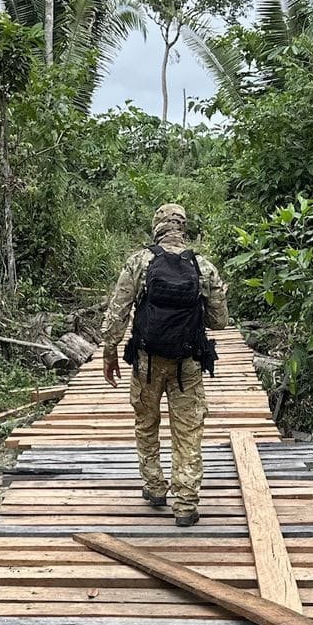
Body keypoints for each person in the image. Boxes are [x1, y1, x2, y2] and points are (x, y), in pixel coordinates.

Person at [101, 203, 229, 527]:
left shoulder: (139, 262)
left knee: (146, 423)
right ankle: (185, 505)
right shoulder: (203, 267)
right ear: (184, 228)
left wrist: (110, 352)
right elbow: (220, 322)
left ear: (156, 227)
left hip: (146, 361)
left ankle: (155, 487)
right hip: (187, 366)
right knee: (188, 432)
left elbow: (118, 310)